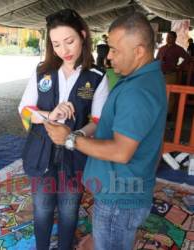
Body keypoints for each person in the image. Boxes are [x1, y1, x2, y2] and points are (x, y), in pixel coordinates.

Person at [44, 12, 167, 250]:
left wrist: (69, 138)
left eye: (114, 50)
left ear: (139, 51)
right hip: (124, 192)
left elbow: (121, 152)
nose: (108, 56)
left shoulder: (137, 92)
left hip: (119, 200)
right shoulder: (142, 78)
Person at [18, 9, 109, 250]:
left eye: (69, 42)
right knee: (42, 209)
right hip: (41, 154)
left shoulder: (97, 77)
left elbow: (98, 122)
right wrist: (51, 114)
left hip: (73, 154)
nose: (64, 50)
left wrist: (75, 135)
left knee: (69, 211)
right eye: (56, 44)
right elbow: (24, 113)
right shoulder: (42, 72)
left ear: (82, 36)